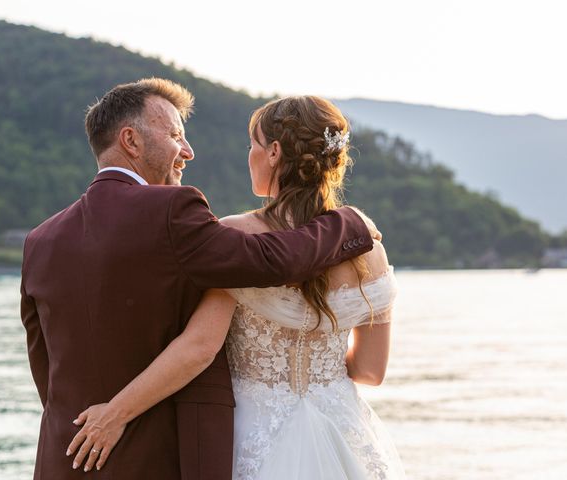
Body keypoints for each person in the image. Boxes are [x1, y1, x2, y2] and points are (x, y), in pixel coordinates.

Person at [20, 79, 378, 480]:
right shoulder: (173, 210)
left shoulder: (40, 239)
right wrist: (346, 224)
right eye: (175, 135)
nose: (187, 151)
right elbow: (270, 261)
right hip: (156, 460)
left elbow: (45, 369)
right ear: (130, 141)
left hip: (69, 456)